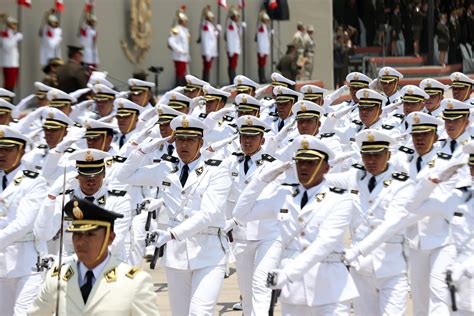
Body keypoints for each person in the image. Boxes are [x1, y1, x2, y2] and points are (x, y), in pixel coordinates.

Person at [116, 115, 231, 315]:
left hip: (209, 251)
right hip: (177, 255)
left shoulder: (217, 170)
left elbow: (209, 213)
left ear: (201, 143)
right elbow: (123, 176)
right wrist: (146, 148)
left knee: (199, 312)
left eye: (190, 140)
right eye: (180, 139)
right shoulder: (165, 168)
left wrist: (171, 234)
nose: (184, 145)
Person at [234, 135, 359, 315]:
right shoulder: (284, 195)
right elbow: (241, 214)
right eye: (300, 162)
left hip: (330, 288)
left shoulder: (339, 199)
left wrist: (287, 274)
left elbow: (324, 244)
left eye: (311, 163)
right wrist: (260, 180)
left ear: (326, 167)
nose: (304, 167)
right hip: (294, 293)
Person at [28, 198, 160, 315]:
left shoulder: (134, 283)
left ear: (110, 238)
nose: (80, 242)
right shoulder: (57, 278)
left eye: (90, 235)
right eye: (77, 235)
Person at [223, 116, 280, 315]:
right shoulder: (230, 163)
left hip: (268, 234)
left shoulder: (273, 165)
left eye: (253, 137)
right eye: (244, 136)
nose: (247, 141)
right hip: (240, 235)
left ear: (262, 140)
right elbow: (222, 196)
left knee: (260, 286)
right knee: (246, 292)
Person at [0, 126, 47, 316]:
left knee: (23, 313)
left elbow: (23, 223)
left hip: (27, 262)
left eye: (8, 149)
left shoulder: (34, 181)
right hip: (2, 265)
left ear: (21, 150)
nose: (1, 153)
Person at [168, 7, 190, 87]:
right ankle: (178, 88)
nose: (186, 22)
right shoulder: (176, 29)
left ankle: (181, 89)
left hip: (184, 56)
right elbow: (171, 41)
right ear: (181, 21)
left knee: (183, 74)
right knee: (179, 74)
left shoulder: (185, 30)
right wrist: (180, 50)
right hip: (179, 56)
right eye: (185, 21)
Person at [0, 15, 23, 92]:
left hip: (13, 63)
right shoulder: (5, 34)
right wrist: (16, 38)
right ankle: (8, 102)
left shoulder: (13, 33)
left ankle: (10, 101)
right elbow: (7, 46)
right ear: (9, 24)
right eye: (13, 24)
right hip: (9, 63)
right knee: (9, 85)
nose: (15, 26)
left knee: (12, 85)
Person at [199, 6, 219, 83]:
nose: (212, 19)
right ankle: (205, 83)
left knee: (208, 68)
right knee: (206, 69)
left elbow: (212, 37)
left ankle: (206, 83)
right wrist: (207, 52)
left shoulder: (210, 25)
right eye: (211, 17)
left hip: (211, 51)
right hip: (208, 52)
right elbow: (206, 39)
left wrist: (217, 31)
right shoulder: (206, 26)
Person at [225, 6, 243, 84]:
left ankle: (233, 79)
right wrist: (231, 50)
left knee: (234, 65)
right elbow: (230, 38)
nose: (238, 17)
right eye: (237, 16)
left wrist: (241, 28)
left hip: (236, 48)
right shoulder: (231, 25)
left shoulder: (235, 25)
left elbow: (238, 36)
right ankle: (232, 80)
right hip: (232, 49)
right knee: (232, 65)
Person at [256, 10, 271, 83]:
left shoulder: (265, 27)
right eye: (266, 20)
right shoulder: (261, 27)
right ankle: (261, 78)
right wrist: (261, 50)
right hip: (262, 49)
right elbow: (260, 38)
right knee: (261, 64)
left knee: (263, 64)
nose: (268, 21)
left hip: (265, 49)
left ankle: (263, 77)